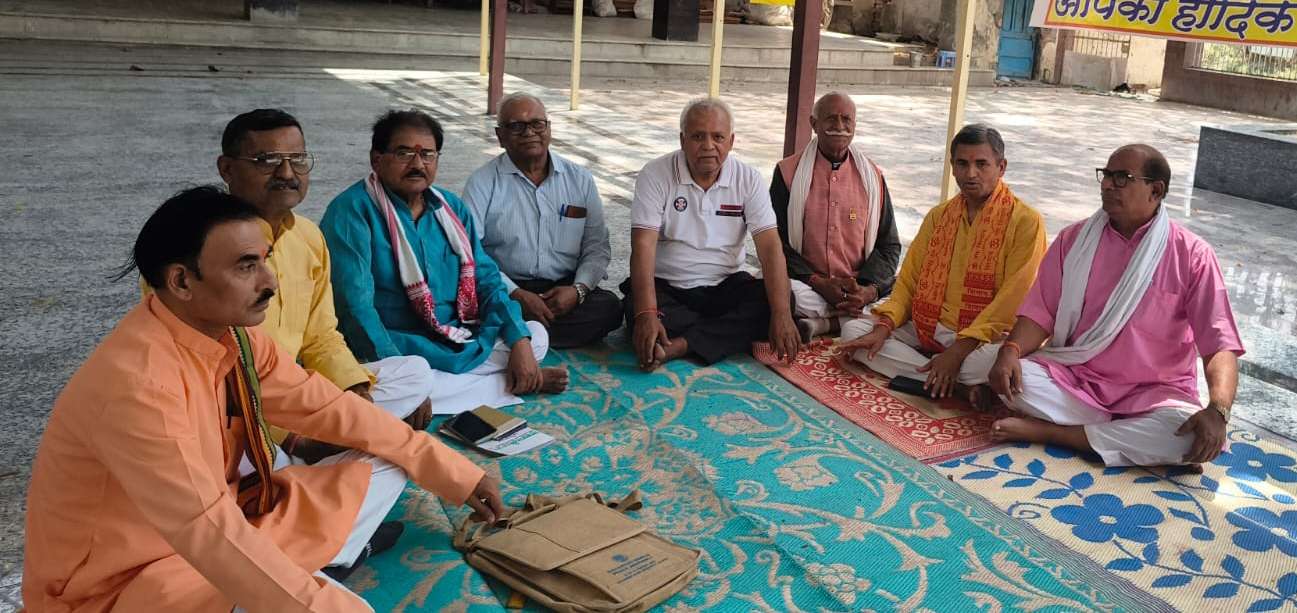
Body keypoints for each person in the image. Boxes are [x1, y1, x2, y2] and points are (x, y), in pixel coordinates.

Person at [23, 187, 503, 612]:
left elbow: (327, 407)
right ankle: (314, 568)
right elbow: (204, 529)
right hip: (132, 583)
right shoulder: (139, 385)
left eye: (265, 260)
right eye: (246, 266)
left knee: (394, 456)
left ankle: (307, 568)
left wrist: (455, 472)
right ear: (182, 282)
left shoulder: (233, 336)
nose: (270, 281)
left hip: (229, 523)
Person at [987, 145, 1244, 467]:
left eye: (1122, 177)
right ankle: (1118, 435)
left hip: (1153, 395)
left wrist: (1218, 410)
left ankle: (1053, 432)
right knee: (997, 370)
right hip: (1077, 381)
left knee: (1188, 435)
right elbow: (1042, 313)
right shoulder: (1073, 240)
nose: (1108, 184)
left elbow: (1219, 344)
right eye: (1106, 175)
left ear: (1156, 191)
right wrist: (1010, 350)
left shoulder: (1193, 255)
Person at [216, 108, 437, 462]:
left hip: (300, 392)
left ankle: (329, 453)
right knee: (384, 460)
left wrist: (354, 387)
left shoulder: (307, 236)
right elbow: (216, 373)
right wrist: (291, 437)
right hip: (238, 412)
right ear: (227, 169)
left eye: (297, 159)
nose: (286, 173)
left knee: (414, 373)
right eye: (267, 160)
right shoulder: (205, 246)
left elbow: (321, 336)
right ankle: (304, 460)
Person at [321, 109, 567, 416]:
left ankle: (438, 392)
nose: (417, 164)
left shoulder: (450, 207)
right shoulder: (351, 212)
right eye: (404, 153)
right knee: (408, 377)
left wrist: (518, 340)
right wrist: (403, 374)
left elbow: (486, 279)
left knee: (534, 336)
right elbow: (355, 308)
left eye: (427, 155)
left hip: (456, 336)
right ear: (377, 159)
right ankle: (508, 384)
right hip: (396, 344)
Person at [839, 124, 1046, 405]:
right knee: (854, 333)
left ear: (1001, 167)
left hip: (983, 339)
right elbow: (909, 282)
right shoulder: (939, 216)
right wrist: (884, 327)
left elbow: (1012, 301)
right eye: (962, 164)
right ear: (952, 166)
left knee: (998, 360)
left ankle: (939, 373)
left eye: (981, 164)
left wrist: (958, 352)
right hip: (929, 324)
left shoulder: (1026, 222)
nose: (970, 174)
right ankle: (958, 385)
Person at [624, 97, 801, 370]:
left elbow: (769, 248)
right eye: (698, 136)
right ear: (682, 140)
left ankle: (680, 344)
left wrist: (781, 315)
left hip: (726, 285)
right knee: (635, 306)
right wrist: (647, 313)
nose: (708, 146)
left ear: (731, 141)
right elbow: (642, 247)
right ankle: (715, 336)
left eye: (718, 137)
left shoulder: (748, 179)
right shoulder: (655, 174)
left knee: (781, 302)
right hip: (669, 287)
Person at [463, 93, 621, 348]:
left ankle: (514, 335)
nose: (529, 133)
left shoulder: (579, 179)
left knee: (610, 308)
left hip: (562, 289)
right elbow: (471, 252)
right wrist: (516, 293)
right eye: (517, 126)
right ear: (500, 136)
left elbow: (597, 245)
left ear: (548, 129)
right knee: (474, 302)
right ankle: (524, 331)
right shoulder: (482, 183)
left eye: (537, 124)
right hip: (505, 287)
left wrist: (578, 290)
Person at [771, 92, 901, 341]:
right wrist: (819, 283)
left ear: (855, 125)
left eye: (846, 119)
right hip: (808, 284)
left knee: (906, 294)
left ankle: (826, 324)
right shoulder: (787, 172)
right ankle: (847, 320)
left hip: (859, 286)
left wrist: (866, 290)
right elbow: (775, 242)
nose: (839, 126)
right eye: (831, 118)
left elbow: (889, 246)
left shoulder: (873, 176)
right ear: (814, 124)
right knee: (778, 294)